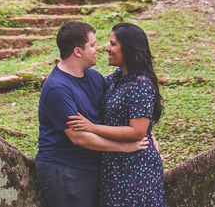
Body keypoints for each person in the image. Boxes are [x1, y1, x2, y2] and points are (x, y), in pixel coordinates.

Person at [36, 21, 148, 207]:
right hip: (65, 169)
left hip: (93, 166)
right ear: (78, 51)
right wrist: (124, 146)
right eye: (92, 45)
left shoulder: (94, 77)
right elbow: (79, 137)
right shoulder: (58, 88)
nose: (99, 48)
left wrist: (145, 131)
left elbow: (116, 108)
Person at [66, 22, 167, 207]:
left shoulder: (141, 84)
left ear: (128, 49)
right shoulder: (116, 78)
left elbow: (137, 132)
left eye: (113, 44)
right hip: (114, 166)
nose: (106, 48)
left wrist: (92, 128)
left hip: (136, 169)